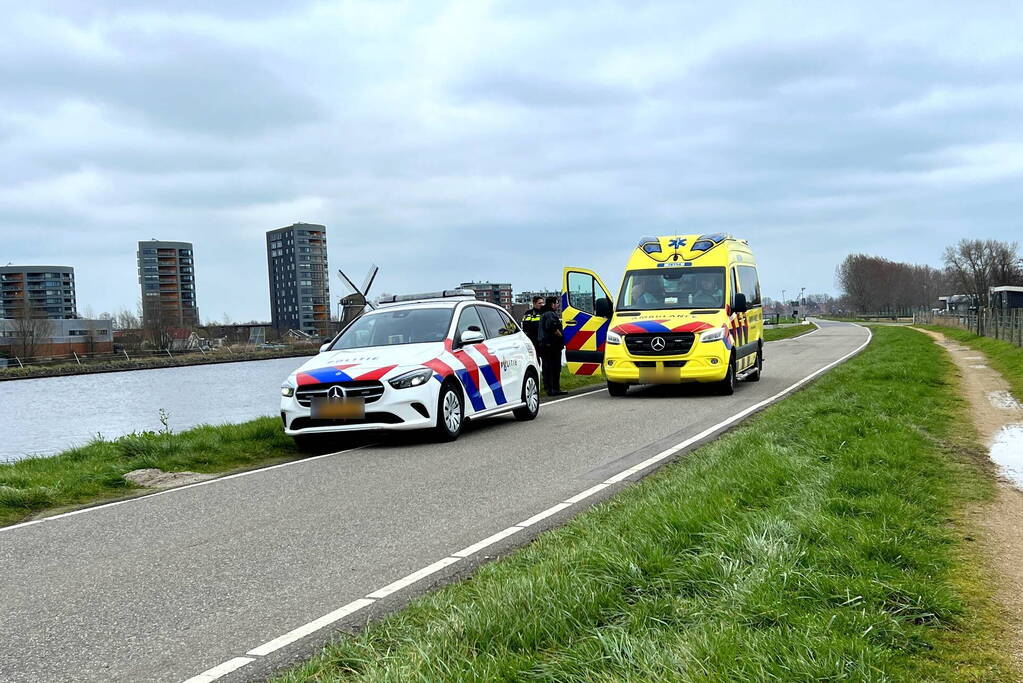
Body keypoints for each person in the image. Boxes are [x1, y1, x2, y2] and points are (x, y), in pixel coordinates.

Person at [538, 296, 567, 396]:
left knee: (547, 367)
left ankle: (548, 388)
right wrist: (561, 335)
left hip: (544, 345)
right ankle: (554, 389)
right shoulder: (550, 314)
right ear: (552, 304)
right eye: (557, 303)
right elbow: (551, 327)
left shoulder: (543, 314)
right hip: (552, 345)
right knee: (554, 367)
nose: (558, 305)